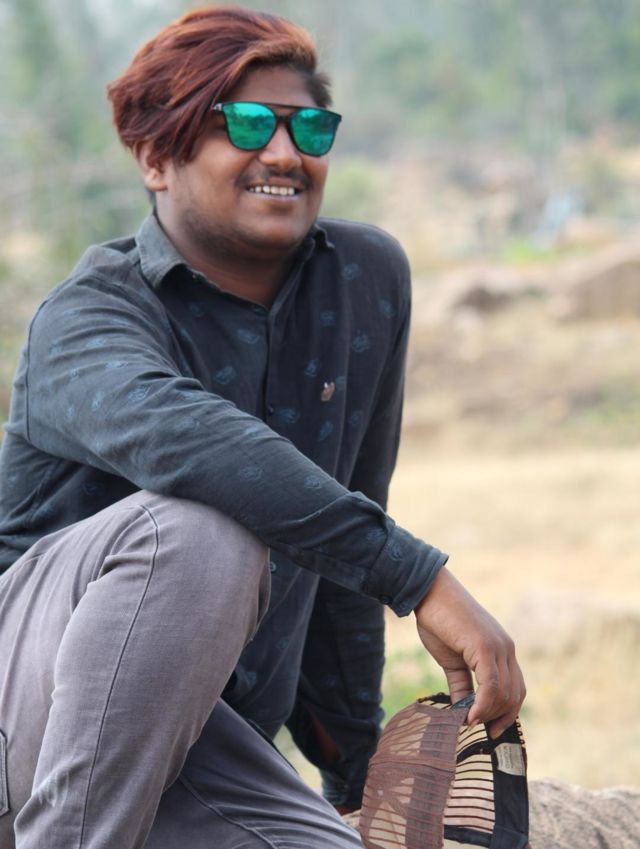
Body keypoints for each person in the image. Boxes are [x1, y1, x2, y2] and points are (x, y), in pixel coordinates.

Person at [0, 6, 525, 848]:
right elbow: (191, 442)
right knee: (200, 531)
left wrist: (357, 780)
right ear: (155, 157)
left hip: (211, 753)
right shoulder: (87, 318)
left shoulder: (363, 280)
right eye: (245, 124)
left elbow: (343, 537)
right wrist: (420, 580)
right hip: (29, 734)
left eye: (309, 128)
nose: (284, 153)